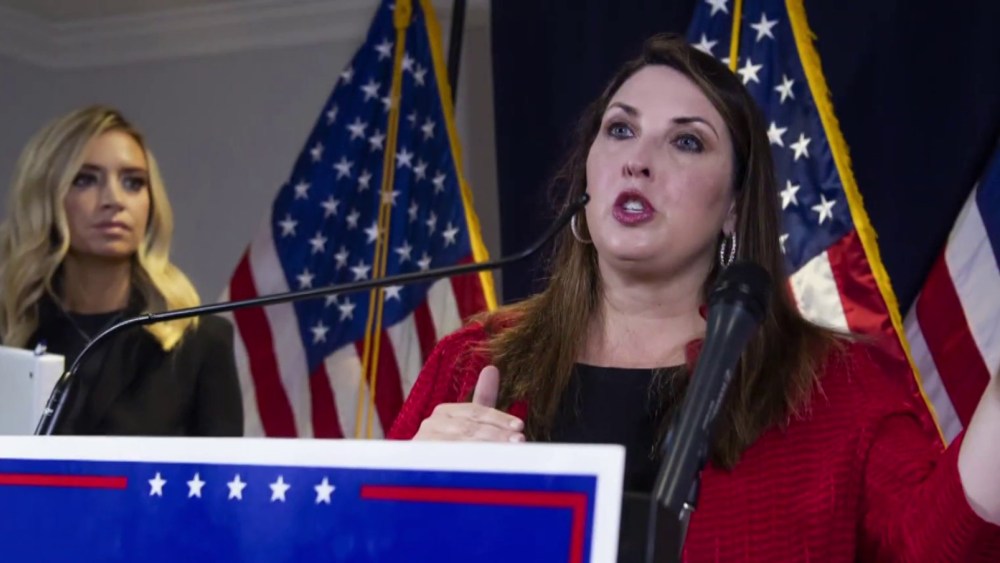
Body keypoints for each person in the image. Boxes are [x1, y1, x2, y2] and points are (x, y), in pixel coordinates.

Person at [388, 33, 1000, 560]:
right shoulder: (470, 363)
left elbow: (939, 545)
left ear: (734, 206)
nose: (637, 161)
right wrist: (403, 491)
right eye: (620, 130)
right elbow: (367, 544)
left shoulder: (833, 386)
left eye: (686, 142)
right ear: (587, 176)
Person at [0, 105, 243, 437]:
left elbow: (220, 470)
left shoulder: (201, 342)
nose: (114, 200)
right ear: (46, 198)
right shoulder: (12, 330)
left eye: (133, 183)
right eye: (85, 180)